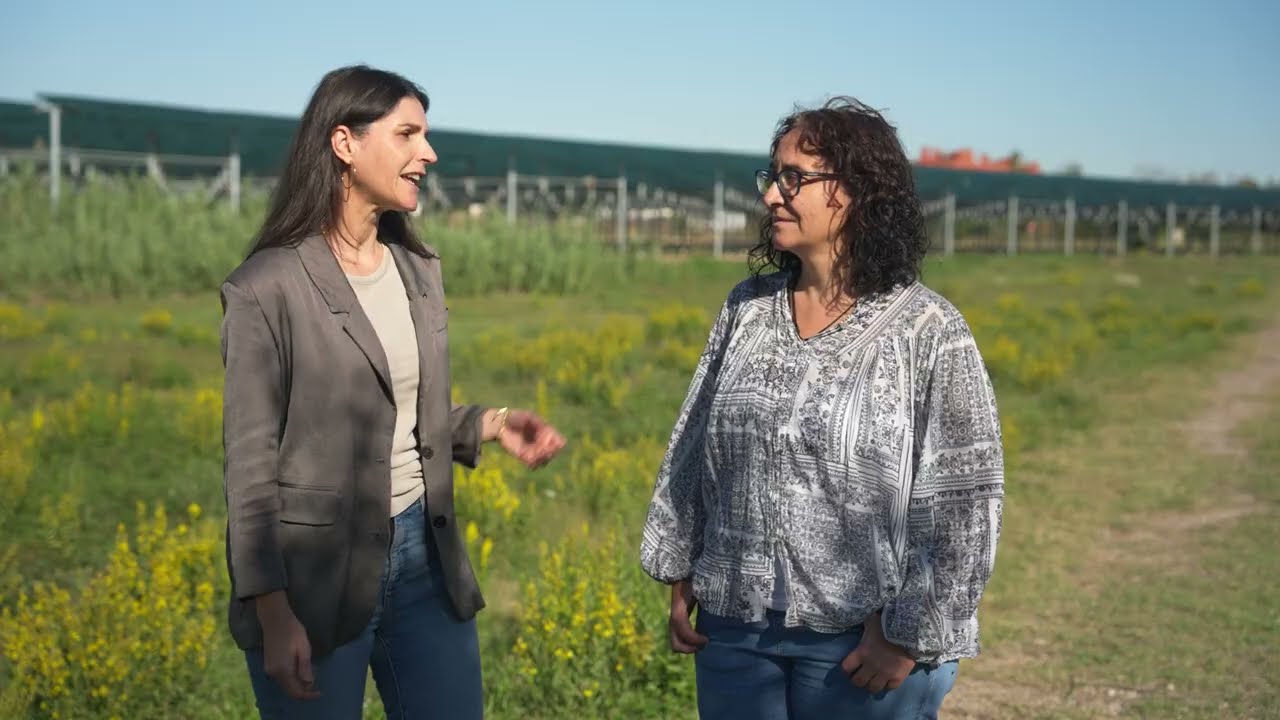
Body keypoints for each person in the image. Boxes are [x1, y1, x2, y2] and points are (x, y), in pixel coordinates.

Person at [640, 97, 1005, 720]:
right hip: (736, 630)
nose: (772, 196)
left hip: (861, 642)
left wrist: (905, 634)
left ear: (856, 193)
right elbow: (696, 438)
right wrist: (681, 567)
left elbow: (966, 497)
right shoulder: (747, 308)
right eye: (772, 177)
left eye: (795, 179)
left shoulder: (927, 329)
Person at [219, 65, 566, 720]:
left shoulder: (417, 267)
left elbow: (399, 411)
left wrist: (490, 423)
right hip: (313, 576)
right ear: (345, 143)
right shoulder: (264, 287)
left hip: (423, 557)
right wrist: (271, 608)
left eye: (425, 136)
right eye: (407, 134)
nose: (427, 153)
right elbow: (250, 468)